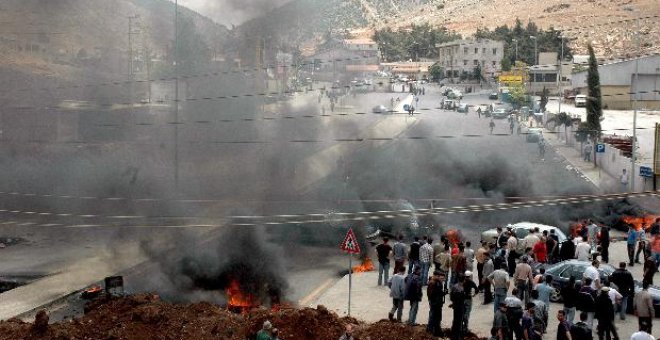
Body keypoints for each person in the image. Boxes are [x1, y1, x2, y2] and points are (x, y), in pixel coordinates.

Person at [426, 270, 447, 336]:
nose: (443, 280)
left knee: (436, 317)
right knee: (434, 317)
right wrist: (441, 293)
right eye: (442, 278)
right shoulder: (433, 283)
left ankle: (433, 329)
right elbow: (431, 294)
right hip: (435, 303)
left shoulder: (437, 282)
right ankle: (431, 330)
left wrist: (443, 293)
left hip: (437, 303)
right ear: (438, 276)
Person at [449, 274, 466, 340]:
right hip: (460, 306)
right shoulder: (462, 288)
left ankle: (453, 335)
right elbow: (462, 298)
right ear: (463, 280)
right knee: (459, 322)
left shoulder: (454, 286)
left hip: (455, 306)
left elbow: (451, 297)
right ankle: (457, 336)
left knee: (455, 320)